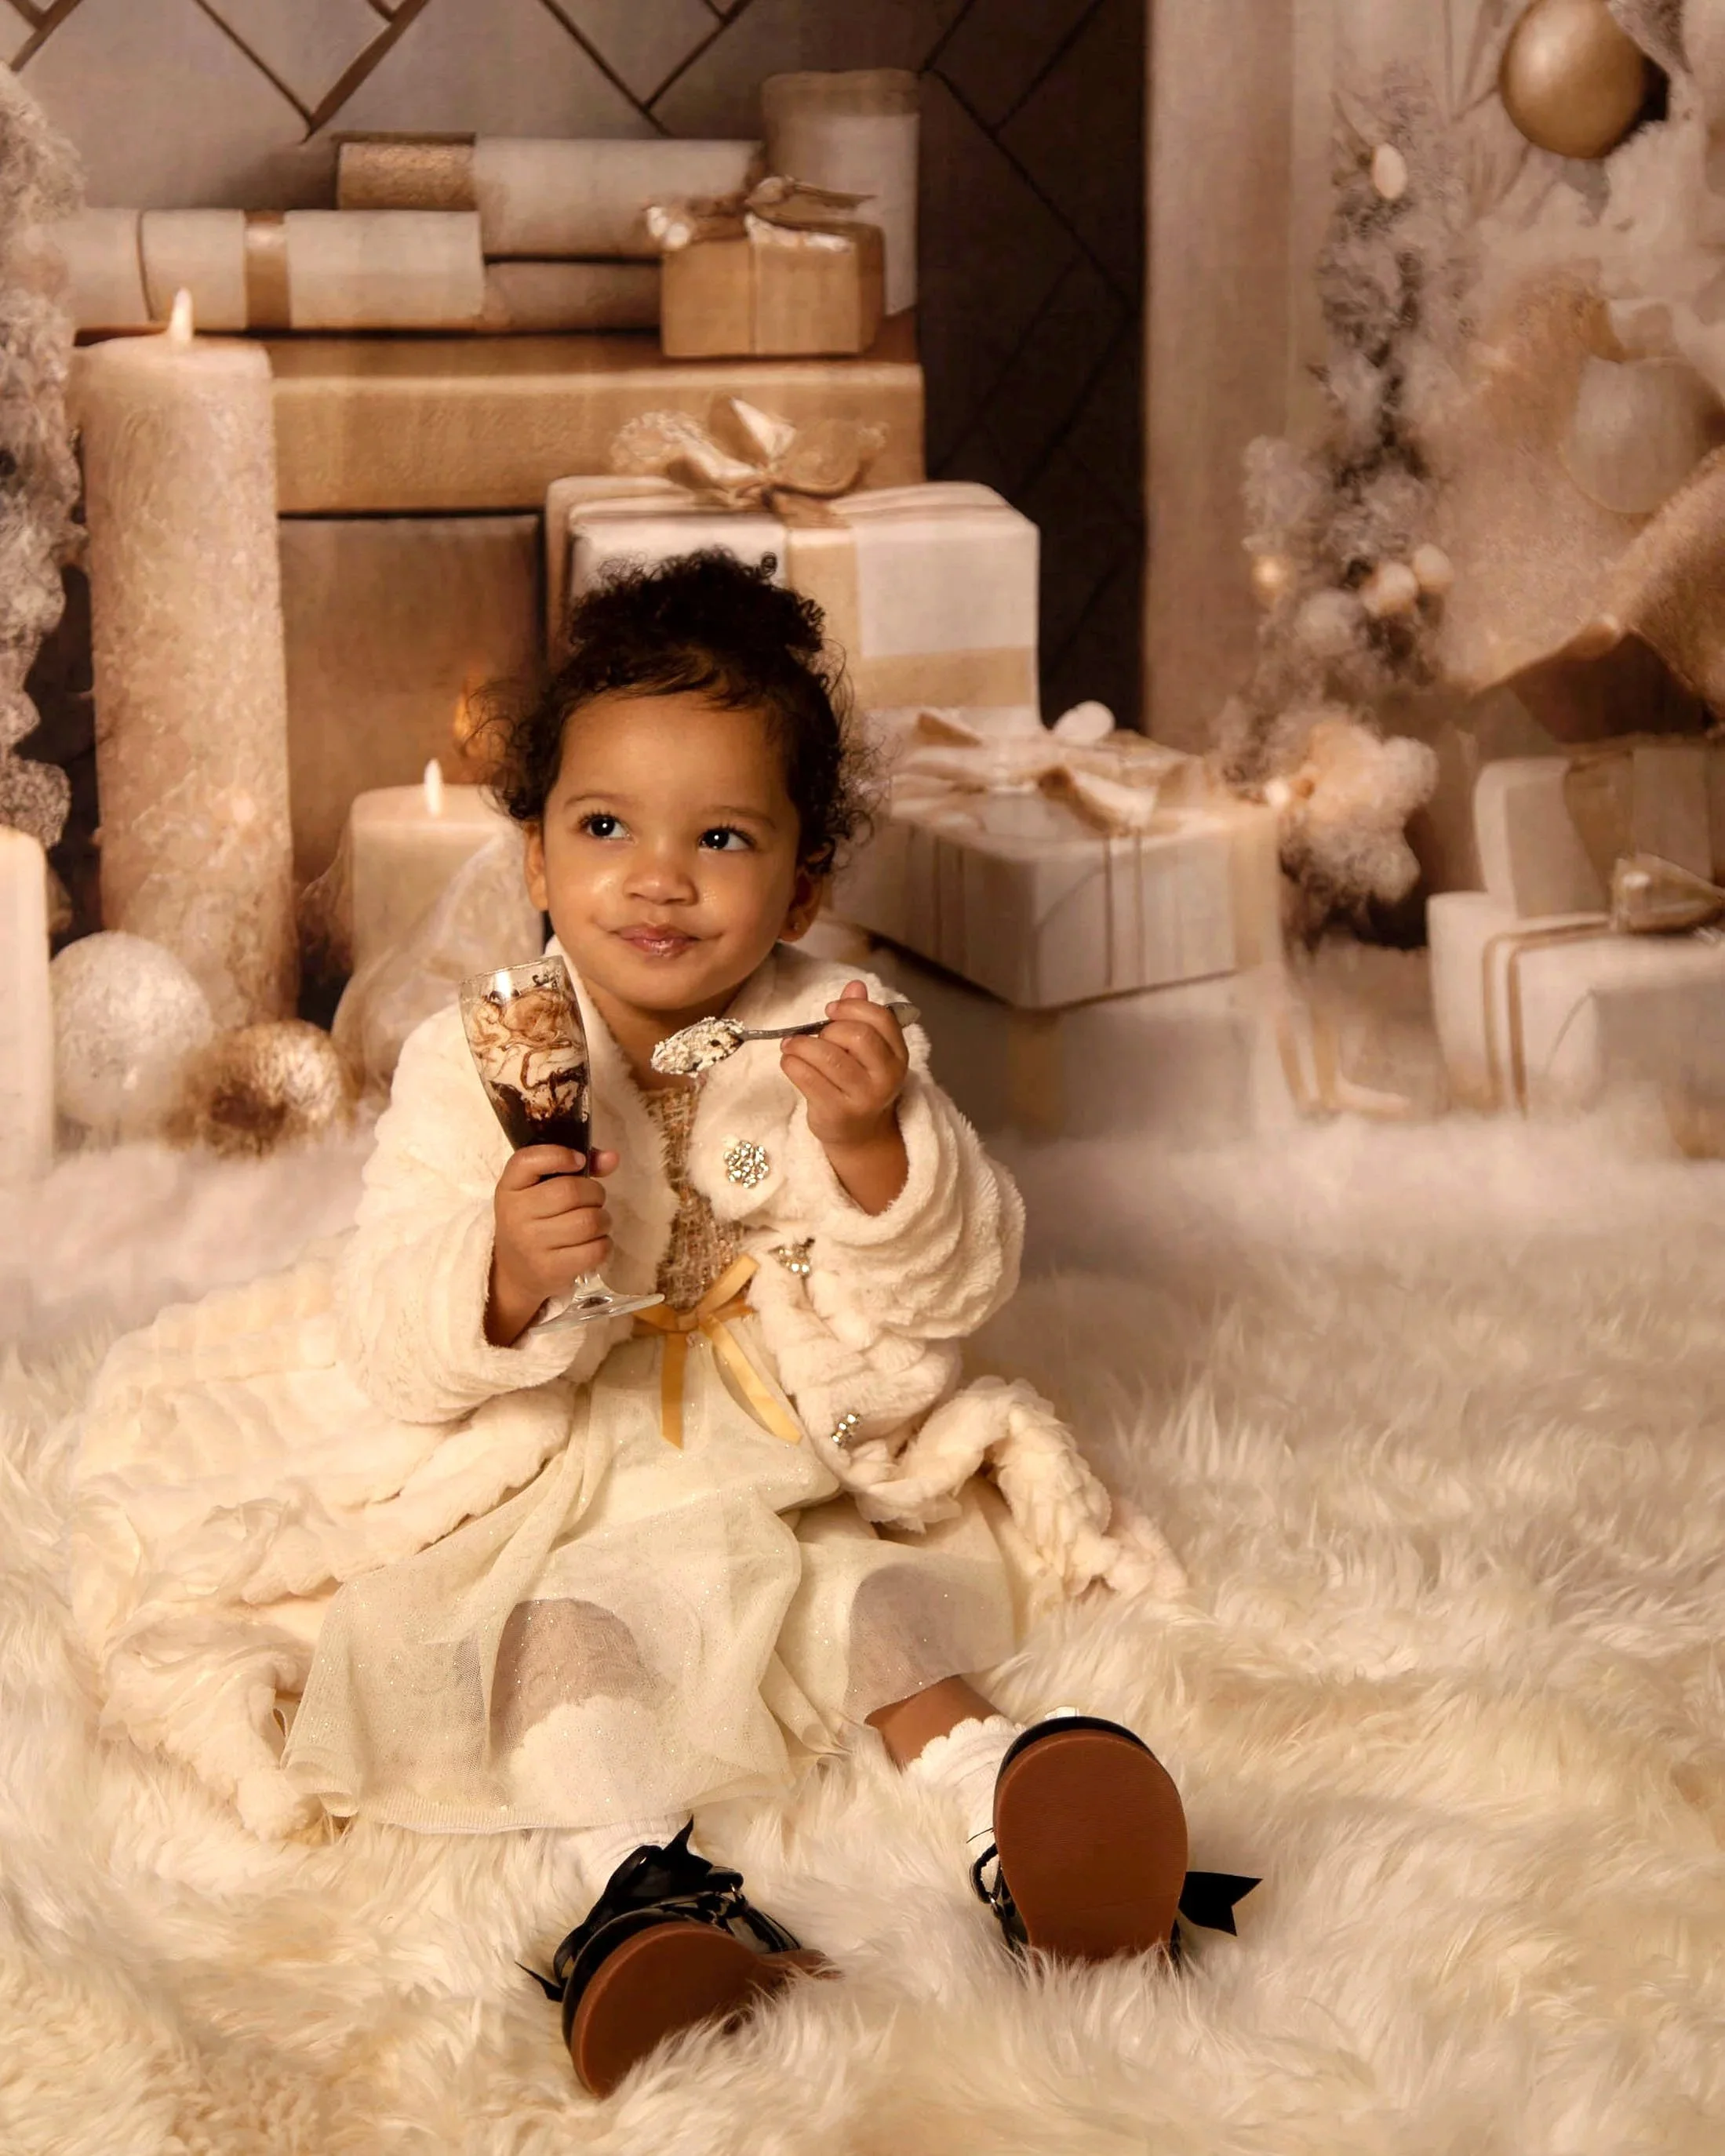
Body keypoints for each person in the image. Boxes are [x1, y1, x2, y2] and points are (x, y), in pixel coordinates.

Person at [69, 553, 1249, 2100]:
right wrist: (495, 1273)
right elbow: (390, 1318)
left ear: (803, 886)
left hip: (766, 1423)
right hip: (558, 1445)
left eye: (724, 838)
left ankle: (1007, 1800)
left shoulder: (843, 1034)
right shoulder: (463, 1059)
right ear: (539, 860)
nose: (660, 876)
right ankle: (643, 1890)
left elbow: (951, 1284)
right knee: (561, 1649)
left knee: (872, 1592)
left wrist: (880, 1153)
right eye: (607, 827)